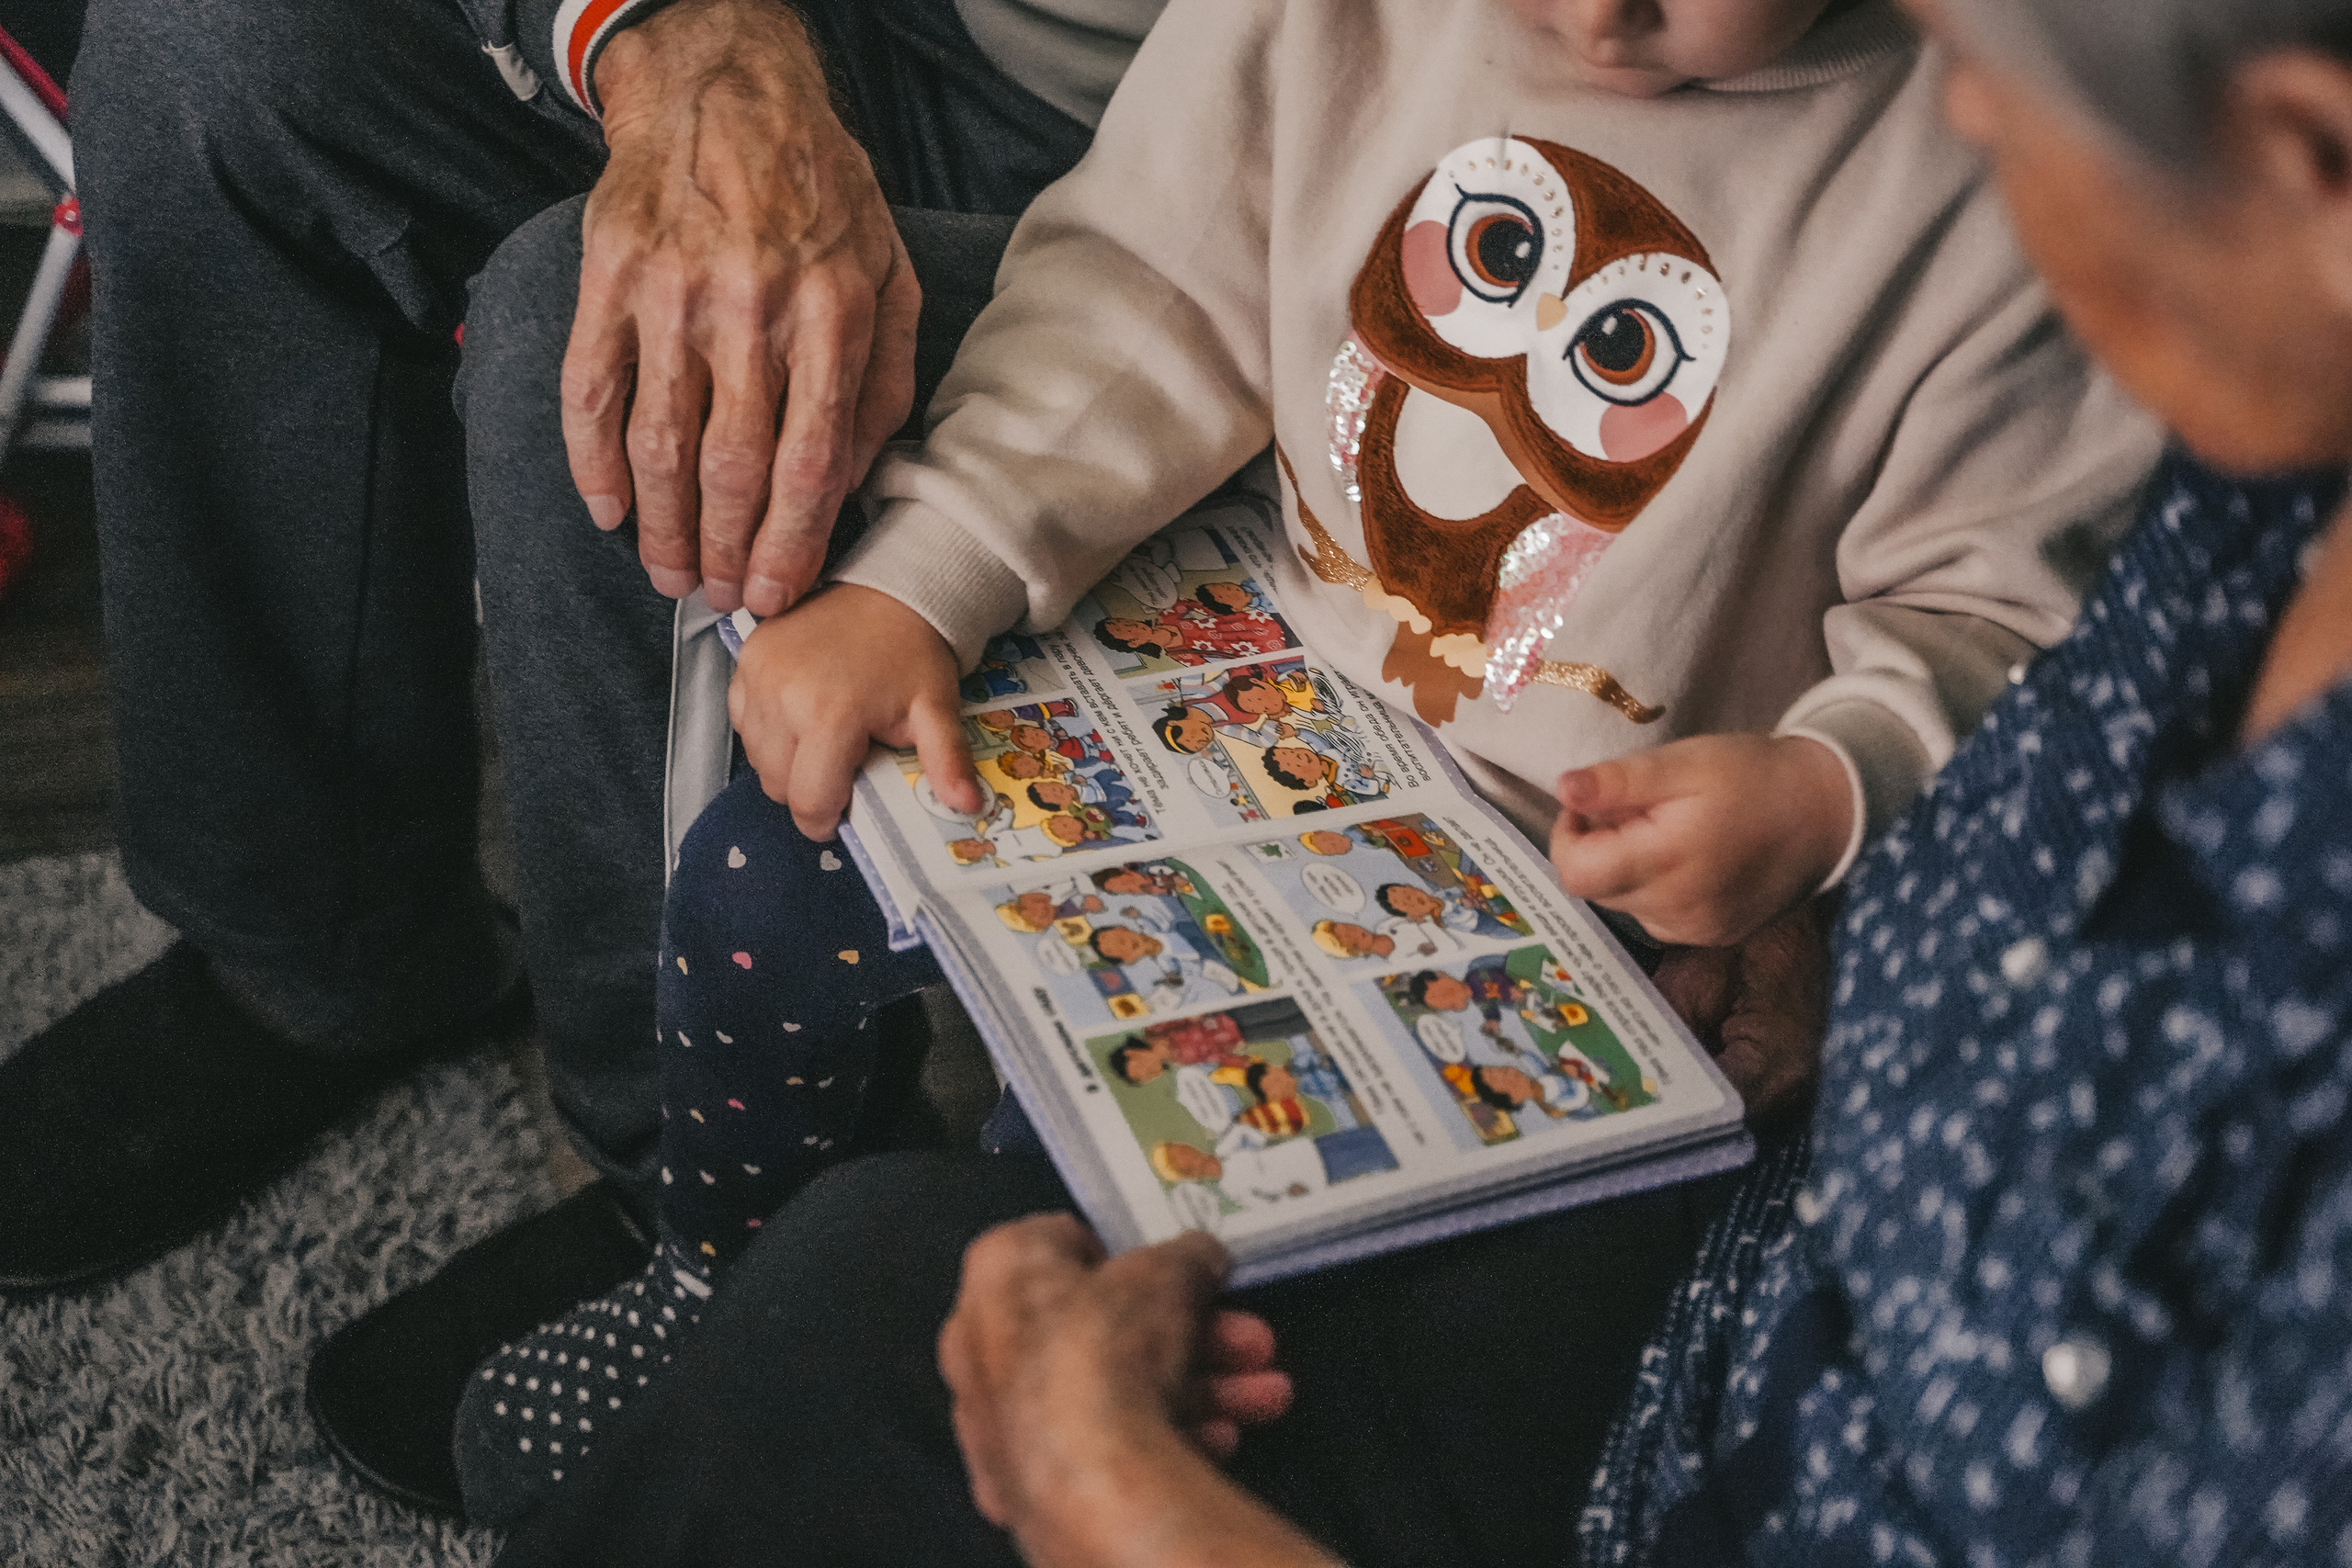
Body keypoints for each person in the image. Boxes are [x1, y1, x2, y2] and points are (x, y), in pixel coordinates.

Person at [489, 1, 2352, 1564]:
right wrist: (938, 559)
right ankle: (702, 1267)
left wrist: (1819, 785)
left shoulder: (1985, 178)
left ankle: (936, 1246)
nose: (1604, 15)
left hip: (1569, 901)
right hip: (1216, 649)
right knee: (763, 871)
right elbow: (1151, 286)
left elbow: (1990, 615)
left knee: (1138, 1179)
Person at [0, 0, 1171, 1510]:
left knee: (611, 339)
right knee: (216, 48)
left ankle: (713, 1194)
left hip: (1192, 155)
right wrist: (668, 34)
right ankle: (324, 944)